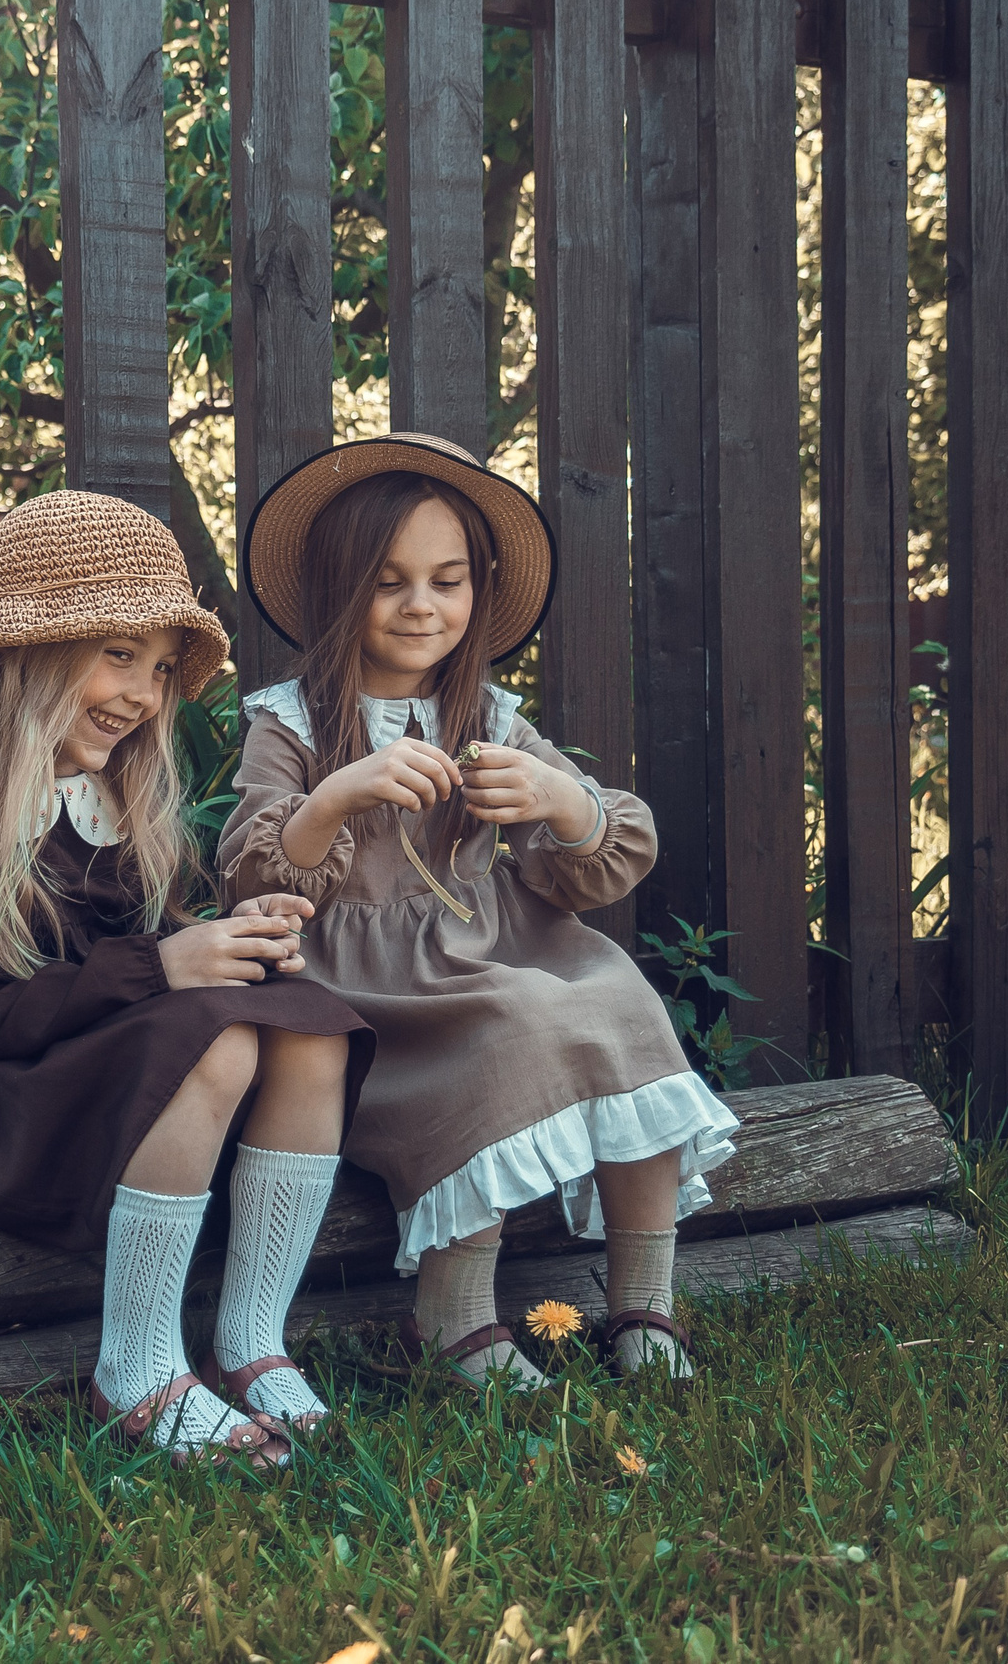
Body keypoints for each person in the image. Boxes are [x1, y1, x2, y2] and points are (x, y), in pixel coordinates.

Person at [0, 489, 376, 1465]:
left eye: (160, 670)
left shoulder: (109, 801)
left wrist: (221, 939)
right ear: (26, 654)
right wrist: (164, 967)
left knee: (308, 1024)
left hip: (67, 1055)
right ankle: (136, 1366)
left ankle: (250, 1342)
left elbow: (132, 960)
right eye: (116, 655)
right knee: (213, 1039)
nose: (142, 694)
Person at [216, 435, 738, 1387]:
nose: (423, 606)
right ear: (341, 590)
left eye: (447, 581)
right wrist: (338, 793)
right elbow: (256, 878)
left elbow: (587, 867)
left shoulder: (492, 715)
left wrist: (558, 798)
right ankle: (453, 1317)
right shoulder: (290, 720)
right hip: (377, 983)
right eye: (390, 582)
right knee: (508, 1025)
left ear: (476, 590)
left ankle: (643, 1302)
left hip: (489, 943)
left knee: (618, 995)